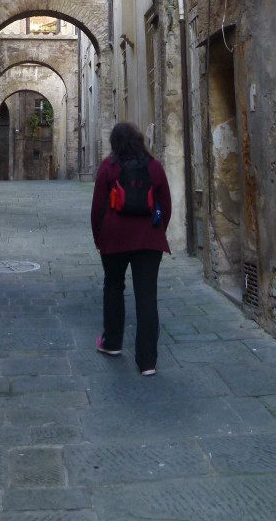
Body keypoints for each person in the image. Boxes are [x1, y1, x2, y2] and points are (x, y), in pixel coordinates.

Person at [90, 122, 172, 376]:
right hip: (148, 241)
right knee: (146, 296)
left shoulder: (108, 167)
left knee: (113, 287)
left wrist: (99, 238)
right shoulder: (154, 167)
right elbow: (166, 205)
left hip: (114, 239)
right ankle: (147, 361)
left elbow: (97, 208)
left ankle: (112, 342)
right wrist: (157, 231)